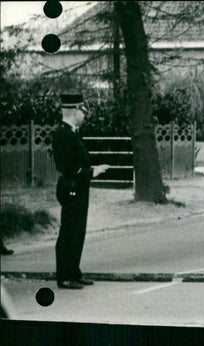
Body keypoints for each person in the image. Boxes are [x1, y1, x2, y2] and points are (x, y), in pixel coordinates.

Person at [51, 92, 108, 289]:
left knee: (78, 230)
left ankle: (74, 272)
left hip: (79, 188)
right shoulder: (62, 134)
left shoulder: (72, 132)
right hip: (71, 188)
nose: (85, 114)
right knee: (69, 231)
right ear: (75, 110)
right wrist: (91, 172)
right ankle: (64, 276)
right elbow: (66, 167)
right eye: (83, 110)